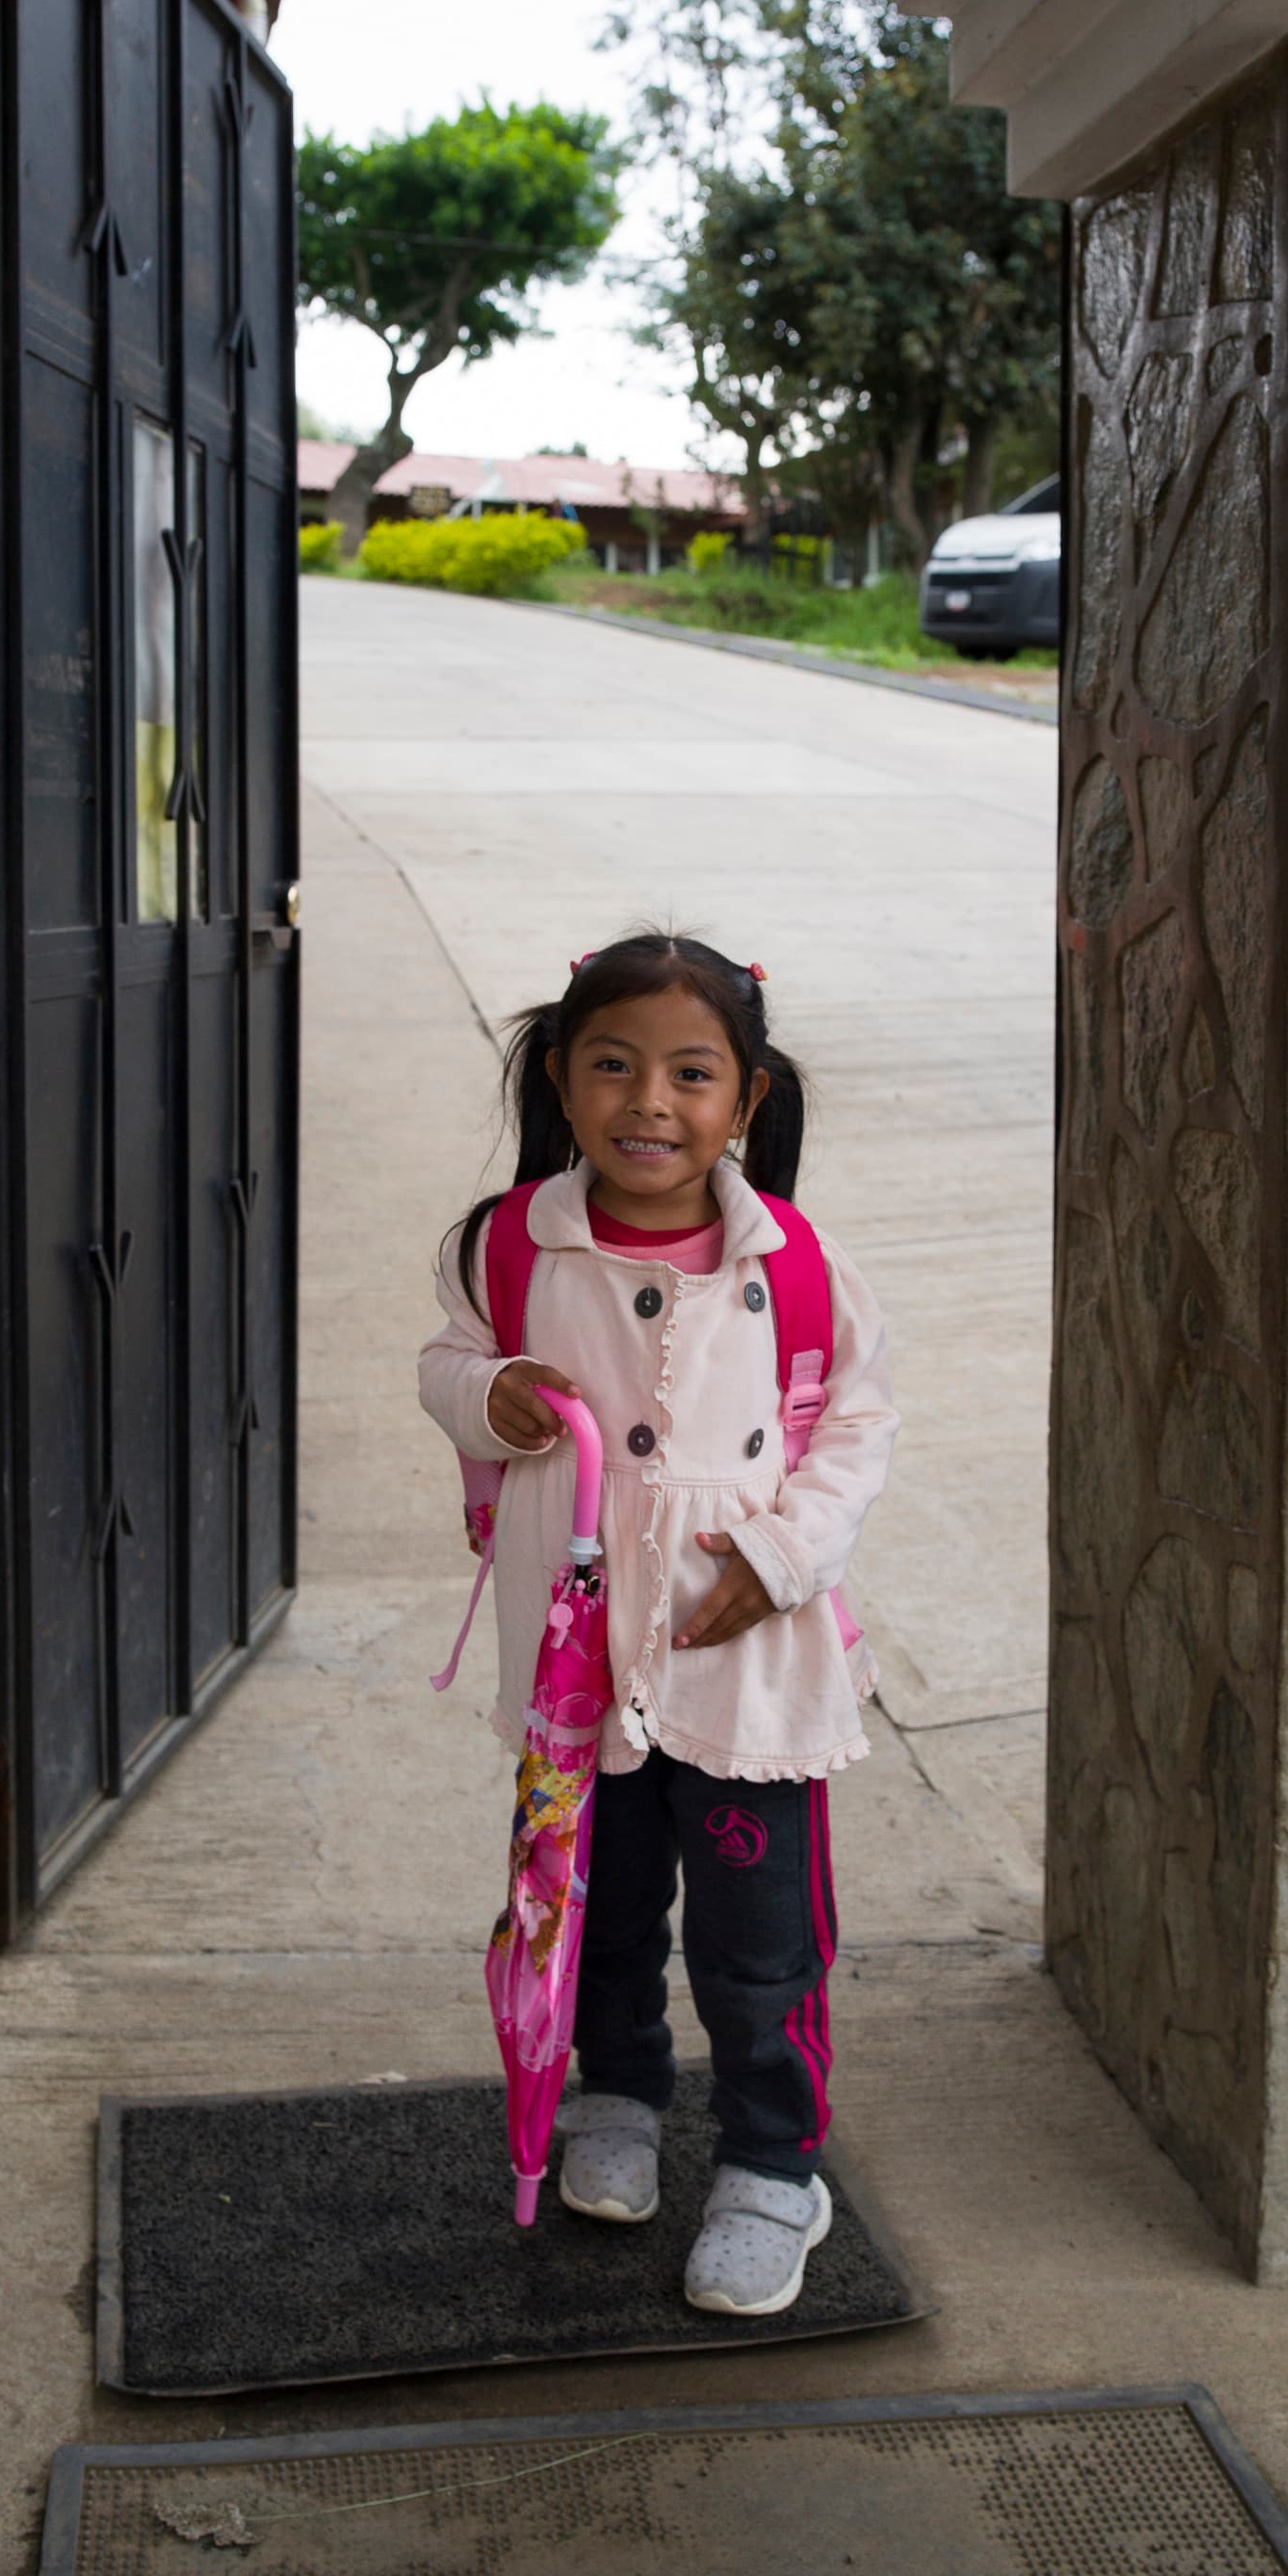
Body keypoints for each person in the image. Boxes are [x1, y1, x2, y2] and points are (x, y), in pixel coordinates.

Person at [419, 932, 899, 2316]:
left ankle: (772, 2161)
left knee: (759, 1941)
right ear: (561, 1081)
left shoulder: (798, 1263)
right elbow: (446, 1359)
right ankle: (614, 2100)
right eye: (613, 1065)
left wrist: (788, 1549)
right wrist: (490, 1389)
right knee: (596, 1912)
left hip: (746, 1667)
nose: (649, 1102)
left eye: (692, 1073)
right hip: (580, 1666)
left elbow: (857, 1427)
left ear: (747, 1099)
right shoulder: (511, 1243)